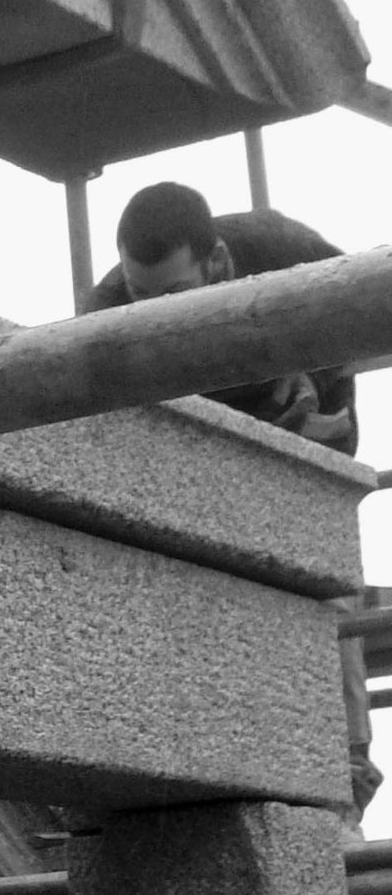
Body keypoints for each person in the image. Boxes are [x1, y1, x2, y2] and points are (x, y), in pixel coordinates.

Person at [91, 181, 379, 815]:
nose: (155, 313)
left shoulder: (281, 247)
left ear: (218, 261)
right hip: (206, 462)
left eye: (172, 296)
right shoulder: (108, 307)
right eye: (142, 298)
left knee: (327, 596)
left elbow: (370, 306)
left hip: (304, 435)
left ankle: (344, 782)